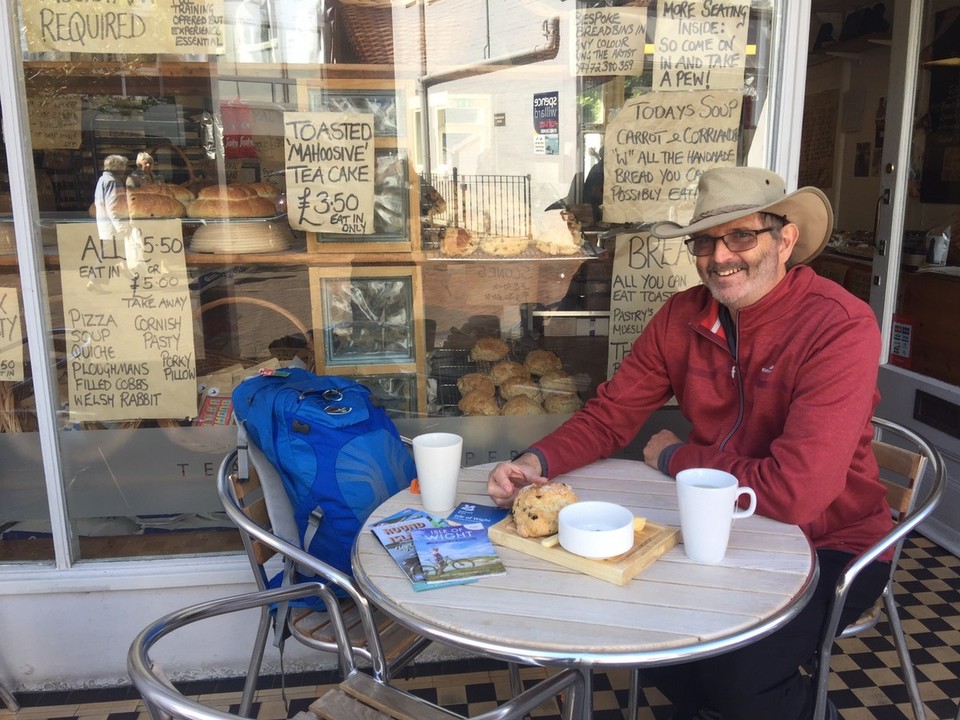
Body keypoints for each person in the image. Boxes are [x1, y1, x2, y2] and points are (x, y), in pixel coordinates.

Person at [487, 167, 893, 720]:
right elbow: (611, 415)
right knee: (657, 647)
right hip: (713, 530)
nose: (720, 256)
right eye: (705, 241)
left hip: (833, 543)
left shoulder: (839, 326)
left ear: (786, 238)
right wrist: (534, 460)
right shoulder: (682, 315)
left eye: (741, 236)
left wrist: (677, 457)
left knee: (739, 679)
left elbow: (797, 494)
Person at [94, 154, 129, 242]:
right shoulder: (113, 182)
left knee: (107, 254)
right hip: (115, 231)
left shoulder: (102, 179)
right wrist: (122, 228)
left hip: (106, 228)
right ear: (117, 168)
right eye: (123, 166)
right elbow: (115, 207)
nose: (124, 170)